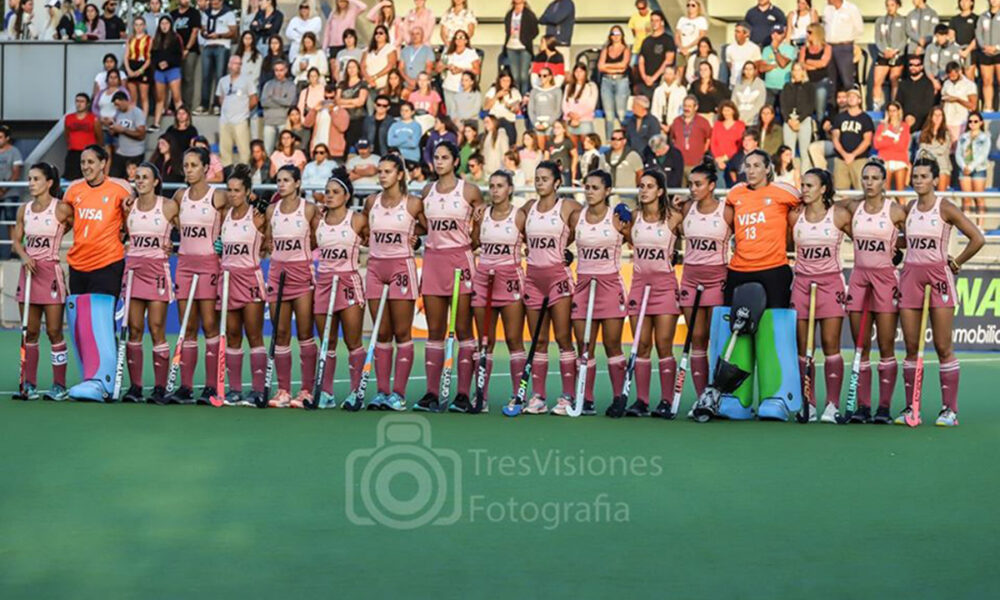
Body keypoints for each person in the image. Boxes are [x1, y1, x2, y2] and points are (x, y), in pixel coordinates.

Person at [898, 156, 984, 427]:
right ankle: (911, 407)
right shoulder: (909, 208)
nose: (918, 180)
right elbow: (903, 240)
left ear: (935, 179)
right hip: (910, 275)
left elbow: (977, 238)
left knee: (943, 346)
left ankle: (950, 410)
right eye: (915, 176)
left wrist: (957, 261)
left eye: (924, 176)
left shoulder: (945, 208)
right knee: (911, 346)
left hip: (938, 277)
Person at [413, 141, 484, 413]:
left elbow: (482, 223)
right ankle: (432, 392)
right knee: (435, 331)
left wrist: (468, 244)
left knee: (464, 330)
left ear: (455, 161)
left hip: (459, 261)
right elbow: (421, 225)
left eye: (445, 157)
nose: (439, 162)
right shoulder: (427, 190)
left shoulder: (469, 190)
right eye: (436, 157)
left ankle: (464, 395)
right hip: (433, 261)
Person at [507, 161, 581, 416]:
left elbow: (588, 225)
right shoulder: (528, 208)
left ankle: (567, 395)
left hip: (558, 279)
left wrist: (568, 251)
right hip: (534, 279)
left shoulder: (568, 206)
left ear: (557, 183)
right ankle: (538, 397)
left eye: (545, 179)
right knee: (538, 339)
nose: (540, 182)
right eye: (537, 178)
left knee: (562, 338)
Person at [62, 145, 131, 400]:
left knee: (100, 322)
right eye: (83, 162)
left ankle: (106, 381)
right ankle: (90, 379)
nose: (86, 167)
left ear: (104, 163)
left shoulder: (120, 188)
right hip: (78, 263)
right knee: (81, 325)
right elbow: (65, 219)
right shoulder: (73, 190)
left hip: (107, 263)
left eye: (91, 162)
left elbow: (131, 220)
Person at [841, 159, 906, 423]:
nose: (869, 183)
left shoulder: (896, 211)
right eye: (865, 178)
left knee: (887, 345)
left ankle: (884, 408)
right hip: (858, 278)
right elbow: (831, 210)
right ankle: (863, 406)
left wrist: (897, 249)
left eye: (874, 178)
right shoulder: (853, 207)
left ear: (884, 182)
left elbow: (916, 237)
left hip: (885, 279)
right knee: (861, 345)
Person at [616, 168, 682, 417]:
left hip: (664, 287)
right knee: (641, 344)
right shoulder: (633, 217)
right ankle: (641, 401)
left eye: (649, 186)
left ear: (661, 191)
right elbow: (616, 238)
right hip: (639, 285)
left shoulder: (674, 218)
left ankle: (666, 401)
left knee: (664, 344)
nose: (643, 190)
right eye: (641, 186)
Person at [361, 154, 424, 409]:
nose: (382, 175)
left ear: (399, 175)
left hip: (401, 267)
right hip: (376, 267)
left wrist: (417, 240)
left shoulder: (413, 204)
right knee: (381, 332)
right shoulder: (371, 202)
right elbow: (364, 230)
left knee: (402, 333)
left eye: (387, 171)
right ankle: (382, 391)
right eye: (380, 171)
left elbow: (429, 228)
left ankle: (398, 393)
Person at [164, 147, 226, 404]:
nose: (188, 170)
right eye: (186, 165)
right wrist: (168, 240)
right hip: (185, 264)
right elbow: (165, 219)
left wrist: (224, 241)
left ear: (205, 168)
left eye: (193, 165)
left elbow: (240, 211)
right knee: (187, 325)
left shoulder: (218, 196)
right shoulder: (179, 196)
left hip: (210, 263)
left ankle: (211, 386)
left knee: (209, 325)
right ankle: (186, 387)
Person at [787, 168, 849, 422]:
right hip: (801, 284)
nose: (805, 189)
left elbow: (864, 239)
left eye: (810, 185)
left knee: (831, 346)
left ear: (824, 189)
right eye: (803, 184)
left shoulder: (839, 216)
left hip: (830, 283)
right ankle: (807, 403)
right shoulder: (795, 216)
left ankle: (832, 405)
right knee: (803, 348)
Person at [308, 166, 368, 408]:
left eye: (334, 192)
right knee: (326, 341)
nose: (329, 196)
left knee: (353, 341)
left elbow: (376, 237)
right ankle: (327, 393)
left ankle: (357, 392)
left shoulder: (357, 219)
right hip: (324, 282)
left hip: (348, 282)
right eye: (326, 192)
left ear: (346, 195)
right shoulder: (318, 221)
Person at [11, 163, 71, 401]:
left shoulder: (62, 209)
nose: (31, 183)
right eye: (29, 179)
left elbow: (82, 228)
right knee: (30, 332)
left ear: (49, 183)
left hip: (50, 274)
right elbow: (17, 241)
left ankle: (59, 385)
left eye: (36, 179)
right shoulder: (23, 210)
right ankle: (30, 384)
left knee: (55, 331)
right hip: (28, 274)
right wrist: (24, 256)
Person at [119, 163, 178, 405]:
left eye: (146, 177)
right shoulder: (129, 206)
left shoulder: (168, 205)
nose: (140, 181)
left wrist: (173, 245)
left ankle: (160, 388)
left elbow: (187, 231)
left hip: (156, 271)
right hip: (133, 270)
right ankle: (135, 387)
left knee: (156, 329)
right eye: (138, 177)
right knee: (133, 329)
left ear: (156, 181)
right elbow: (125, 234)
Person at [470, 169, 526, 411]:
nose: (494, 190)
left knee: (514, 339)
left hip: (510, 279)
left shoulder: (520, 216)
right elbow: (473, 242)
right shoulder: (483, 215)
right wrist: (474, 220)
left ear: (510, 189)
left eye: (500, 186)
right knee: (484, 341)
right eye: (491, 186)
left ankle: (518, 395)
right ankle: (480, 395)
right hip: (484, 278)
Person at [263, 166, 317, 408]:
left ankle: (306, 390)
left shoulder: (308, 209)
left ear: (297, 183)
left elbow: (318, 238)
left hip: (301, 275)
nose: (281, 184)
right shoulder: (271, 210)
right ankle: (283, 390)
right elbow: (267, 242)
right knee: (280, 333)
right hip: (277, 275)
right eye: (278, 180)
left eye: (286, 180)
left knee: (305, 334)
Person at [216, 165, 268, 406]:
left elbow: (268, 246)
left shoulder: (257, 218)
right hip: (227, 279)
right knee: (233, 335)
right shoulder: (224, 215)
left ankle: (257, 390)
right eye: (229, 190)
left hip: (249, 280)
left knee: (254, 335)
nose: (232, 194)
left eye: (237, 190)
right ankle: (234, 389)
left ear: (247, 192)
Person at [679, 159, 731, 398]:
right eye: (690, 184)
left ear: (711, 186)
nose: (693, 188)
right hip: (690, 278)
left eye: (698, 184)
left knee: (717, 338)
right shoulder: (685, 208)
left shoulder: (726, 211)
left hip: (717, 277)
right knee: (696, 338)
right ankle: (702, 397)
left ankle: (718, 393)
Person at [725, 149, 800, 308]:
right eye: (748, 166)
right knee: (731, 323)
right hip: (739, 268)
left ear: (767, 169)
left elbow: (805, 203)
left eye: (757, 166)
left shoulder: (783, 191)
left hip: (773, 267)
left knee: (773, 327)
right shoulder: (735, 192)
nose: (751, 171)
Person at [196, 0, 237, 116]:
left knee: (220, 76)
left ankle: (217, 104)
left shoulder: (228, 13)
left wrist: (219, 35)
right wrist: (205, 33)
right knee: (205, 76)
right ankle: (204, 104)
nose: (214, 3)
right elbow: (203, 28)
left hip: (222, 46)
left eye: (216, 1)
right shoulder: (206, 13)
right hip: (208, 45)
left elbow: (234, 32)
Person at [215, 55, 256, 167]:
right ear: (229, 65)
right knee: (225, 151)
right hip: (225, 120)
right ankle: (227, 174)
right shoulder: (223, 80)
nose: (237, 66)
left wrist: (243, 111)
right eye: (234, 63)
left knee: (244, 151)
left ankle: (243, 174)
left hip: (240, 120)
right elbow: (221, 98)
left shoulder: (247, 80)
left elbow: (253, 99)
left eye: (239, 64)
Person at [831, 86, 873, 190]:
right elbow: (835, 137)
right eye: (849, 96)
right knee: (841, 193)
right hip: (841, 159)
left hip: (859, 159)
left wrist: (853, 155)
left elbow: (867, 140)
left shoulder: (865, 118)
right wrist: (845, 155)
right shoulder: (840, 117)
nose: (851, 98)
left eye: (854, 96)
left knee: (860, 191)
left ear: (859, 100)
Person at [781, 62, 816, 171]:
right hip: (789, 119)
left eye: (799, 69)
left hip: (804, 119)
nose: (796, 72)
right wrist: (789, 120)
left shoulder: (809, 86)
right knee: (788, 151)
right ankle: (790, 176)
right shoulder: (787, 86)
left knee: (804, 151)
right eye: (794, 70)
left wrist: (799, 120)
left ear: (803, 71)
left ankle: (804, 175)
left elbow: (811, 105)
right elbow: (783, 105)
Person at [955, 111, 990, 222]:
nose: (972, 123)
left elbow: (983, 155)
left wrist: (971, 167)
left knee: (979, 199)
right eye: (970, 121)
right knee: (966, 199)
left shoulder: (985, 138)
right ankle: (967, 226)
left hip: (979, 169)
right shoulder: (963, 137)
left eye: (975, 121)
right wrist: (964, 166)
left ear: (981, 123)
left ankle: (980, 225)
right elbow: (958, 153)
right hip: (964, 169)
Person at [150, 17, 183, 132]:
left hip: (173, 69)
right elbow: (153, 55)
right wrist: (159, 64)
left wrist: (168, 63)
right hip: (159, 71)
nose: (164, 26)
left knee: (176, 97)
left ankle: (182, 122)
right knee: (160, 99)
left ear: (170, 25)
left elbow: (179, 55)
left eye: (167, 23)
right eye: (162, 23)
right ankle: (156, 123)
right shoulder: (156, 39)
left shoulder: (176, 38)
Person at [669, 96, 712, 183]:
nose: (686, 108)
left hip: (696, 163)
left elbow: (708, 139)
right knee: (681, 192)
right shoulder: (676, 121)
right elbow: (672, 139)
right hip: (679, 164)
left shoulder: (703, 122)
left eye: (689, 106)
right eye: (685, 106)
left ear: (695, 107)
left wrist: (703, 153)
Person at [873, 0, 907, 110]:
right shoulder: (880, 21)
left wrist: (895, 50)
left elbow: (904, 39)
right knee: (877, 81)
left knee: (895, 81)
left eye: (892, 5)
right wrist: (884, 51)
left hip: (897, 54)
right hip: (883, 54)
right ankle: (877, 107)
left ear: (897, 6)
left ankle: (894, 106)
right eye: (887, 5)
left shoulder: (903, 21)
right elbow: (878, 39)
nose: (889, 8)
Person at [823, 0, 864, 92]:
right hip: (829, 46)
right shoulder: (827, 9)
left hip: (844, 47)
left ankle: (850, 103)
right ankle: (832, 105)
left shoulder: (851, 8)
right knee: (831, 81)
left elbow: (859, 28)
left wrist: (851, 42)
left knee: (847, 80)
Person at [439, 30, 480, 118]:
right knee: (451, 114)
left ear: (466, 40)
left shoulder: (471, 53)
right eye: (456, 38)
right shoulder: (448, 52)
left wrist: (462, 70)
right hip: (449, 86)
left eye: (461, 37)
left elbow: (477, 71)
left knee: (463, 114)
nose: (458, 40)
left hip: (464, 88)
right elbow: (438, 68)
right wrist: (447, 66)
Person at [637, 10, 676, 99]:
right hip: (645, 82)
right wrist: (644, 77)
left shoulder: (668, 40)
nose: (654, 23)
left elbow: (668, 60)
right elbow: (641, 60)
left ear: (662, 22)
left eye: (657, 20)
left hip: (661, 82)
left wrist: (654, 77)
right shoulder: (646, 41)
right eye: (652, 20)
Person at [503, 0, 539, 95]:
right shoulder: (510, 14)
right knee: (515, 76)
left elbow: (535, 31)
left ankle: (524, 96)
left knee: (524, 75)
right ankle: (517, 96)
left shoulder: (529, 15)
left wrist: (526, 38)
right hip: (511, 46)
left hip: (524, 47)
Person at [873, 101, 911, 190]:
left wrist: (884, 141)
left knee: (900, 192)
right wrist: (893, 142)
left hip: (900, 160)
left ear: (898, 112)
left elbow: (902, 146)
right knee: (885, 191)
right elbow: (876, 145)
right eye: (890, 111)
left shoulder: (905, 126)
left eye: (894, 110)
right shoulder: (881, 127)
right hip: (885, 159)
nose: (892, 113)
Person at [260, 60, 296, 154]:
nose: (278, 72)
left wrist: (273, 97)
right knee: (268, 150)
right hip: (269, 121)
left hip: (283, 121)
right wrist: (281, 101)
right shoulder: (268, 85)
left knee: (284, 150)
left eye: (281, 70)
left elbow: (289, 102)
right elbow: (264, 102)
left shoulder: (291, 85)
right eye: (276, 70)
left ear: (286, 70)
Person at [107, 91, 146, 179]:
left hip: (135, 154)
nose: (117, 107)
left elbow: (141, 135)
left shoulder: (137, 113)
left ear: (125, 101)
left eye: (118, 104)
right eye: (115, 105)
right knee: (114, 179)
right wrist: (113, 130)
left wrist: (123, 130)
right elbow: (118, 132)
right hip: (121, 153)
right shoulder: (118, 114)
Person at [171, 0, 201, 111]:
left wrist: (187, 48)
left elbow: (195, 31)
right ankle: (175, 106)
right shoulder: (172, 14)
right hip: (174, 52)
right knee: (176, 79)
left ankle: (187, 107)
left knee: (188, 78)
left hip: (190, 51)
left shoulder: (194, 13)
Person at [63, 94, 102, 181]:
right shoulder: (68, 118)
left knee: (88, 177)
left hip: (88, 152)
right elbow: (67, 134)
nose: (79, 104)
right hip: (73, 152)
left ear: (87, 104)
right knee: (70, 178)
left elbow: (99, 136)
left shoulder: (94, 118)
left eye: (82, 101)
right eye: (77, 101)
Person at [800, 22, 832, 120]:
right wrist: (814, 65)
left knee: (820, 105)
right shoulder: (804, 48)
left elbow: (823, 63)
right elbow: (801, 63)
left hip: (822, 80)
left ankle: (820, 128)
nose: (807, 34)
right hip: (807, 80)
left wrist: (809, 61)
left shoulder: (826, 47)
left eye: (809, 32)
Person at [323, 0, 365, 75]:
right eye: (340, 1)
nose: (342, 3)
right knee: (334, 68)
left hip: (346, 43)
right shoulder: (333, 13)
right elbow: (327, 31)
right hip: (333, 45)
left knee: (346, 66)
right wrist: (324, 48)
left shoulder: (352, 11)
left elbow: (363, 7)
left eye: (344, 1)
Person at [758, 24, 796, 105]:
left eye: (778, 33)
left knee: (784, 111)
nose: (775, 35)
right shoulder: (766, 49)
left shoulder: (790, 49)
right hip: (769, 86)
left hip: (784, 86)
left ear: (783, 35)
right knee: (768, 110)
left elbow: (783, 64)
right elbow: (761, 68)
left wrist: (775, 50)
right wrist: (774, 65)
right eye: (773, 33)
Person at [897, 54, 936, 132]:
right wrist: (906, 116)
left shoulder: (927, 84)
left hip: (922, 124)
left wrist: (914, 117)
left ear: (921, 67)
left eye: (916, 65)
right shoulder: (903, 83)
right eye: (911, 65)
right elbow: (899, 102)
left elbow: (928, 104)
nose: (913, 67)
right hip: (905, 122)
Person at [561, 63, 598, 146]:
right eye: (576, 71)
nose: (578, 73)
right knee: (572, 148)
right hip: (570, 121)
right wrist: (570, 114)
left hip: (585, 120)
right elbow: (564, 103)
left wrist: (578, 116)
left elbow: (591, 105)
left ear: (585, 72)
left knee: (588, 146)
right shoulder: (568, 86)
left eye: (581, 71)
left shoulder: (591, 86)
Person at [941, 61, 978, 143]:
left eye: (954, 75)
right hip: (947, 120)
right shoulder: (947, 83)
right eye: (950, 76)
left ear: (959, 72)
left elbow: (973, 106)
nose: (951, 78)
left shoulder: (969, 85)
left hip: (961, 121)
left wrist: (957, 100)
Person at [337, 59, 369, 151]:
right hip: (343, 119)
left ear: (358, 69)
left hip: (358, 119)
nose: (351, 69)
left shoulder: (362, 84)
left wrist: (344, 103)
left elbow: (361, 102)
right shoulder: (342, 84)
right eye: (349, 67)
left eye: (354, 67)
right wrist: (353, 102)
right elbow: (337, 100)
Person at [918, 105, 953, 191]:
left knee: (941, 195)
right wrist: (929, 151)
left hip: (942, 167)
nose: (937, 117)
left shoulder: (946, 134)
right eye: (935, 115)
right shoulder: (924, 133)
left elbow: (941, 150)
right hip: (927, 167)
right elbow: (922, 150)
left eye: (940, 115)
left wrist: (928, 151)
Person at [123, 16, 152, 120]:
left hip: (143, 67)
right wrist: (128, 70)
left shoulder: (149, 39)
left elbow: (149, 58)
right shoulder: (130, 39)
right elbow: (126, 56)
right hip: (131, 65)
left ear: (144, 26)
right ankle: (133, 119)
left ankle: (143, 120)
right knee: (133, 97)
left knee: (144, 97)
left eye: (141, 25)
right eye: (136, 25)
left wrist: (140, 71)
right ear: (133, 26)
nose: (138, 27)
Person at [483, 71, 521, 148]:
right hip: (495, 120)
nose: (506, 83)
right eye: (503, 80)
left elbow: (516, 109)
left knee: (509, 143)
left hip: (508, 121)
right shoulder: (493, 90)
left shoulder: (514, 92)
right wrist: (496, 96)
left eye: (508, 81)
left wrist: (507, 105)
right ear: (499, 81)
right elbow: (486, 107)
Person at [528, 67, 562, 149]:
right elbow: (530, 109)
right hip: (537, 124)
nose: (541, 78)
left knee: (550, 150)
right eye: (540, 75)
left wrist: (547, 123)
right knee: (540, 150)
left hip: (550, 125)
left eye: (544, 75)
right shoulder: (534, 91)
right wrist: (536, 123)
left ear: (550, 77)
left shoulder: (557, 91)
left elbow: (558, 110)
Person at [711, 100, 746, 178]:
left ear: (733, 111)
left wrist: (726, 157)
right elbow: (713, 143)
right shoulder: (717, 125)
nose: (726, 113)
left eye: (728, 110)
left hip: (734, 159)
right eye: (724, 110)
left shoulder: (740, 125)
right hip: (718, 160)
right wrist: (718, 158)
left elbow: (739, 144)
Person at [977, 0, 1000, 110]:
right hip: (985, 52)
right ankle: (988, 106)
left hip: (998, 52)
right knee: (987, 80)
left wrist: (996, 47)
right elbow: (978, 33)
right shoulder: (983, 16)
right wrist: (984, 46)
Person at [652, 65, 687, 135]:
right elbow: (654, 110)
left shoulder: (681, 90)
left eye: (670, 74)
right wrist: (661, 125)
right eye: (666, 73)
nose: (668, 76)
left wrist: (671, 125)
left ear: (675, 75)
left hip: (676, 125)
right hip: (660, 125)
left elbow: (682, 110)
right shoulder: (658, 90)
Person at [399, 25, 435, 90]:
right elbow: (401, 68)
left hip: (422, 87)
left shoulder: (428, 51)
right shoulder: (405, 50)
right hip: (406, 85)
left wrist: (418, 82)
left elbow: (428, 69)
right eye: (412, 34)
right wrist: (409, 80)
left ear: (422, 36)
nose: (415, 36)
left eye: (417, 34)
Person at [725, 22, 761, 87]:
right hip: (734, 84)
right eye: (735, 31)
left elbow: (757, 67)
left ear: (746, 34)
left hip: (749, 84)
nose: (735, 34)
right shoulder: (729, 48)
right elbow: (729, 65)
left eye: (738, 32)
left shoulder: (754, 48)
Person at [950, 0, 979, 80]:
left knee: (969, 80)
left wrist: (967, 51)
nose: (964, 3)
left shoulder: (977, 19)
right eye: (961, 1)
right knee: (957, 78)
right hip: (957, 52)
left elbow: (978, 37)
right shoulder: (954, 19)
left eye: (966, 1)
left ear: (971, 2)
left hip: (971, 52)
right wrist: (958, 50)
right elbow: (951, 36)